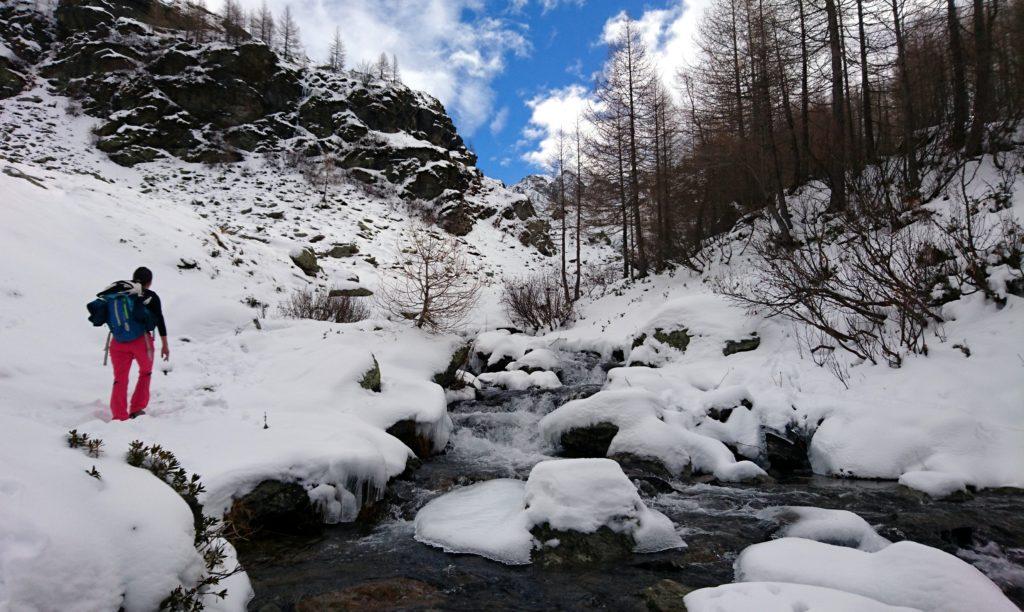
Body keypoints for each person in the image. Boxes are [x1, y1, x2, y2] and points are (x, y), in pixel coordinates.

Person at [106, 267, 169, 420]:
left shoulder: (120, 294)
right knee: (145, 373)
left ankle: (119, 415)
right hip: (142, 341)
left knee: (120, 378)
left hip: (118, 341)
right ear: (150, 282)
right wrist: (165, 344)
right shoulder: (151, 296)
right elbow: (159, 320)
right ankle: (136, 408)